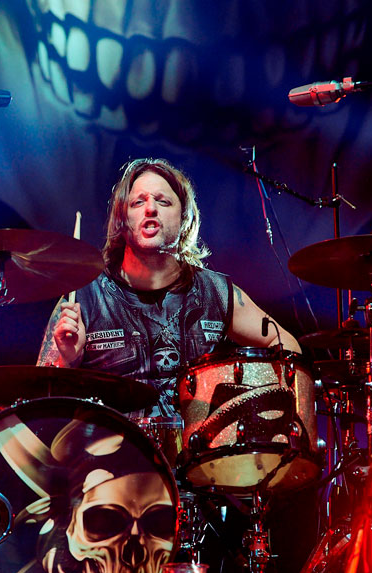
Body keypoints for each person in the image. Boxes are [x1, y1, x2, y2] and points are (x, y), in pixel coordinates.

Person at [37, 157, 301, 417]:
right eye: (138, 202)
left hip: (196, 442)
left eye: (163, 201)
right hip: (114, 443)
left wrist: (259, 403)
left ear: (185, 217)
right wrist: (68, 359)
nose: (150, 208)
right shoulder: (85, 295)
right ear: (121, 219)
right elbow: (41, 396)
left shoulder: (215, 292)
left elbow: (286, 345)